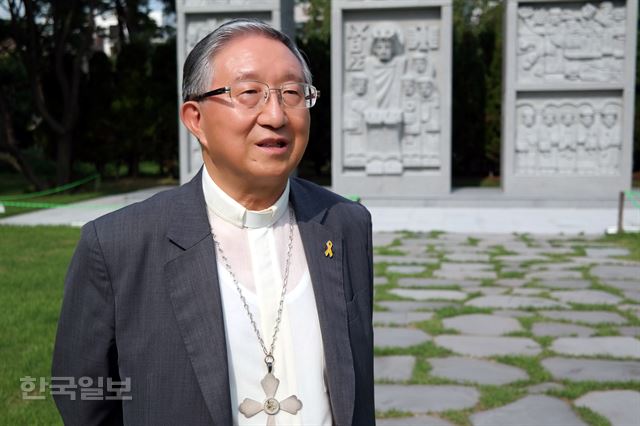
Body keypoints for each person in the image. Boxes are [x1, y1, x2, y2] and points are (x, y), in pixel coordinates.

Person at [52, 18, 375, 425]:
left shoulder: (345, 224)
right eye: (249, 92)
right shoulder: (118, 246)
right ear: (195, 119)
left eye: (292, 93)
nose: (275, 115)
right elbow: (84, 396)